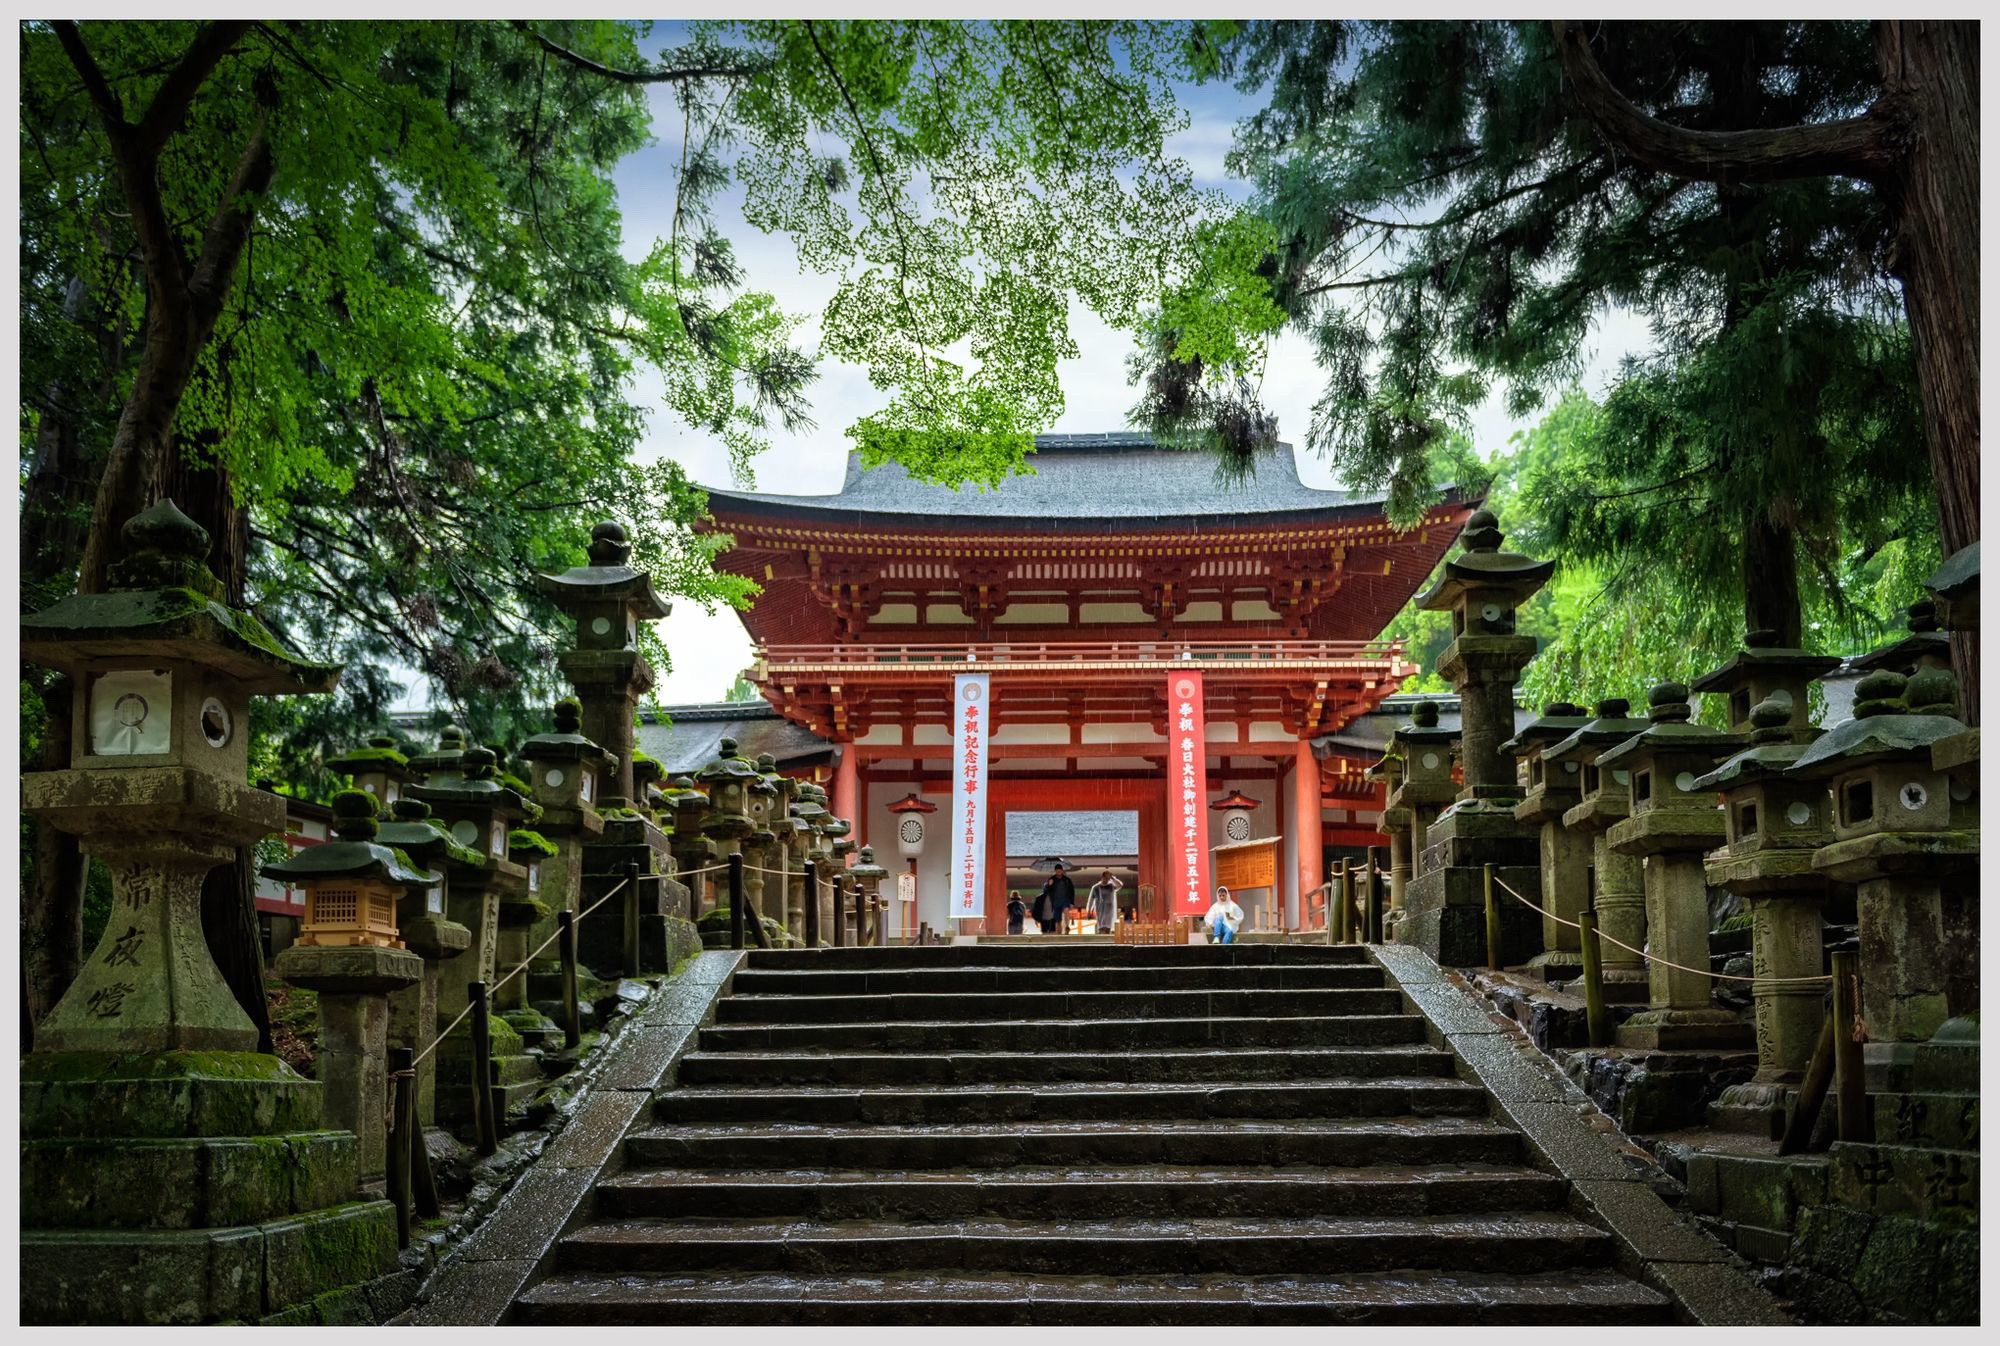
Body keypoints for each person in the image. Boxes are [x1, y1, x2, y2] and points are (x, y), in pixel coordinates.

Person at [1037, 864, 1075, 934]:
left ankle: (1067, 926)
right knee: (1058, 920)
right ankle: (1059, 933)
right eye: (1057, 871)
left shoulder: (1067, 880)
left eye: (1060, 871)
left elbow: (1072, 891)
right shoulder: (1051, 879)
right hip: (1055, 902)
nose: (1058, 872)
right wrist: (1049, 885)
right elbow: (1045, 890)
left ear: (1062, 871)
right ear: (1055, 871)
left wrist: (1072, 902)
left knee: (1066, 911)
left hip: (1065, 900)